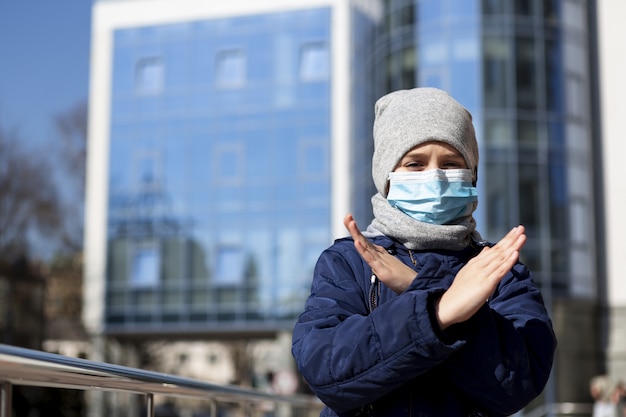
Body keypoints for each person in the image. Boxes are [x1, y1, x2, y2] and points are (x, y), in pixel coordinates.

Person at [291, 87, 557, 416]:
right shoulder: (349, 261)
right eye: (415, 164)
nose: (435, 177)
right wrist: (437, 308)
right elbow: (326, 369)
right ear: (386, 176)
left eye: (451, 163)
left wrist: (419, 290)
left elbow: (520, 384)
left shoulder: (499, 269)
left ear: (472, 175)